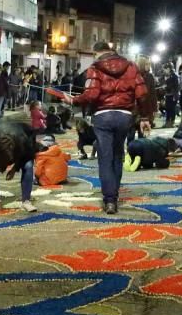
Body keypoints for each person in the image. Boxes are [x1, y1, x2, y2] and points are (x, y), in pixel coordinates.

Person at [53, 43, 148, 215]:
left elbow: (92, 94)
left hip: (103, 116)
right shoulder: (131, 67)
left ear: (97, 52)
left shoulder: (95, 68)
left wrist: (73, 100)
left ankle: (109, 200)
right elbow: (142, 93)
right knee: (118, 155)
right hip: (124, 115)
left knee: (105, 158)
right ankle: (115, 195)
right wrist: (145, 117)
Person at [162, 62, 180, 128]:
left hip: (173, 95)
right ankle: (167, 122)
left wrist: (166, 86)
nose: (164, 70)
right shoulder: (167, 76)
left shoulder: (175, 76)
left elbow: (176, 86)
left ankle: (171, 122)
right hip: (167, 95)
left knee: (172, 109)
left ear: (169, 68)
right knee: (167, 109)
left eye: (165, 69)